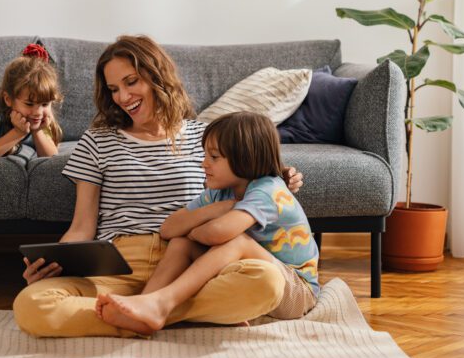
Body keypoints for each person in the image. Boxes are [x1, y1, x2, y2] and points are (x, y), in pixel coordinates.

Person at [13, 34, 304, 338]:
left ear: (157, 76)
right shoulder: (97, 140)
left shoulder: (205, 138)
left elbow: (247, 185)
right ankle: (172, 314)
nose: (123, 97)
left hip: (190, 263)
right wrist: (56, 262)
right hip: (118, 264)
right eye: (114, 89)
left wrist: (279, 177)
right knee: (32, 304)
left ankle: (148, 311)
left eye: (131, 82)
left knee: (267, 281)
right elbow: (83, 226)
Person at [94, 111, 319, 335]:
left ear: (245, 157)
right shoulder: (219, 194)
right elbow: (169, 229)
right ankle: (146, 303)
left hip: (295, 291)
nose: (204, 164)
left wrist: (196, 230)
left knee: (238, 241)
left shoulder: (268, 190)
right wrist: (219, 208)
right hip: (250, 273)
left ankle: (164, 303)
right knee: (181, 243)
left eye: (214, 157)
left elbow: (219, 233)